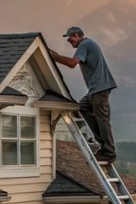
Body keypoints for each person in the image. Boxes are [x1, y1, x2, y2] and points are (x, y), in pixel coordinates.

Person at [49, 26, 117, 164]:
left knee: (102, 120)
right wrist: (53, 54)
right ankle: (101, 143)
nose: (69, 40)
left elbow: (72, 63)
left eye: (70, 37)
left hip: (99, 89)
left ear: (77, 35)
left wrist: (54, 57)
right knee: (82, 108)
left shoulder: (85, 44)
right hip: (95, 90)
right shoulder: (88, 44)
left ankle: (109, 152)